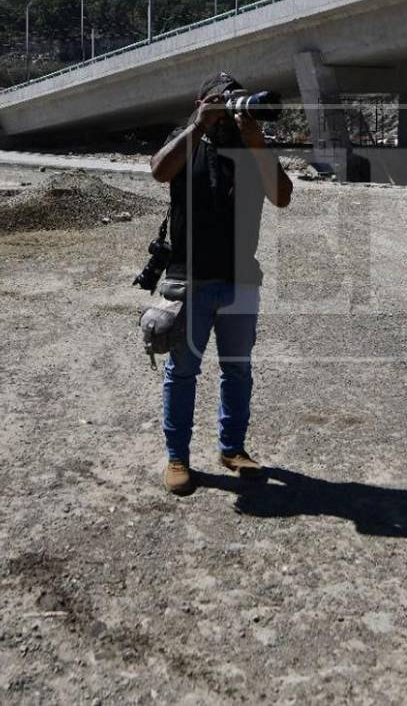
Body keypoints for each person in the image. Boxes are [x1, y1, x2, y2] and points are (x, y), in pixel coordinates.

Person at [149, 71, 293, 495]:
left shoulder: (251, 146)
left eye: (236, 101)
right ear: (203, 102)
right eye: (223, 102)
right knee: (183, 372)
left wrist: (256, 138)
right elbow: (159, 171)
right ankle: (177, 457)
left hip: (240, 279)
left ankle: (232, 449)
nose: (231, 110)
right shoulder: (189, 139)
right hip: (188, 280)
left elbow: (282, 195)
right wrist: (199, 125)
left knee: (238, 371)